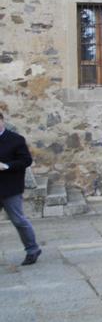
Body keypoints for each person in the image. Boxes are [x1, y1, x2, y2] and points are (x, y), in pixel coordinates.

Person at [0, 112, 42, 266]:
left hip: (10, 188)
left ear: (2, 120)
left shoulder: (15, 139)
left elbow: (26, 160)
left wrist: (6, 166)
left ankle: (32, 249)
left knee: (19, 220)